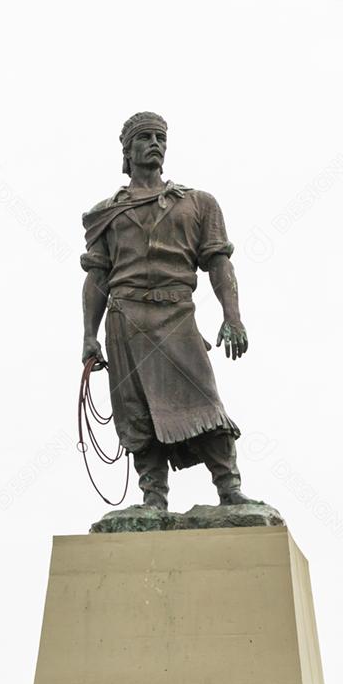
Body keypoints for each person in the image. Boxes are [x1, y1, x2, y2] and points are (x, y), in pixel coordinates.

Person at [80, 111, 252, 510]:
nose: (155, 143)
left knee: (205, 402)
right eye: (146, 138)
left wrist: (233, 316)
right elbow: (97, 277)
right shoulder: (107, 213)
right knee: (136, 412)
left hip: (177, 318)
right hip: (126, 321)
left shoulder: (197, 203)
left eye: (160, 137)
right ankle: (153, 498)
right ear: (128, 150)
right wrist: (89, 335)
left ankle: (229, 488)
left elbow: (218, 262)